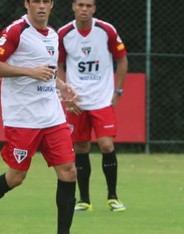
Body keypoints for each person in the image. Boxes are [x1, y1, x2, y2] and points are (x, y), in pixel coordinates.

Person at [0, 0, 90, 234]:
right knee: (16, 177)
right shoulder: (16, 31)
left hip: (52, 116)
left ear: (51, 5)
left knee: (69, 171)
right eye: (35, 1)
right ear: (26, 4)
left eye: (45, 1)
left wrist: (62, 86)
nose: (40, 6)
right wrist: (29, 72)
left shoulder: (53, 34)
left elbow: (46, 70)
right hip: (23, 118)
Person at [57, 0, 128, 212]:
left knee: (106, 145)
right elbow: (59, 65)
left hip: (101, 99)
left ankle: (112, 197)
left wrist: (118, 91)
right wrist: (65, 93)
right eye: (80, 5)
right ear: (73, 7)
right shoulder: (63, 33)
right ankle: (84, 200)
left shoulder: (106, 30)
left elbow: (122, 60)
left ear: (94, 9)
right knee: (80, 147)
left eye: (88, 5)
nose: (84, 9)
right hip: (77, 101)